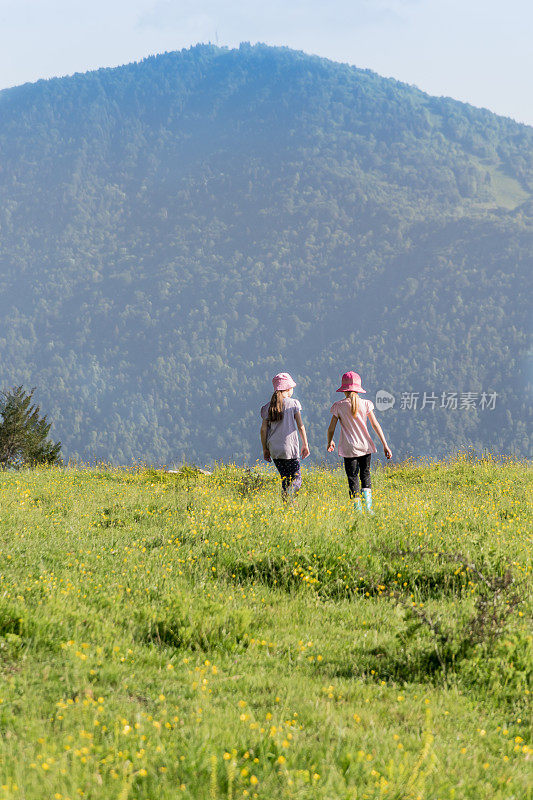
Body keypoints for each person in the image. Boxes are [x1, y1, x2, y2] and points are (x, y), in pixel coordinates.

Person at [326, 371, 392, 514]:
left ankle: (357, 511)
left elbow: (331, 428)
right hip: (365, 446)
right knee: (365, 475)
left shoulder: (338, 406)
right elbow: (375, 425)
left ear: (344, 390)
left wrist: (330, 441)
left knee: (352, 477)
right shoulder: (366, 404)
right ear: (358, 389)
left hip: (349, 448)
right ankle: (368, 509)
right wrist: (385, 445)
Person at [260, 372, 310, 501]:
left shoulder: (267, 407)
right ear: (288, 389)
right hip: (289, 448)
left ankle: (288, 507)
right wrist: (305, 444)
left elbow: (263, 430)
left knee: (285, 479)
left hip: (275, 450)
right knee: (296, 478)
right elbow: (300, 426)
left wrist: (265, 449)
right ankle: (289, 496)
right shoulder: (293, 404)